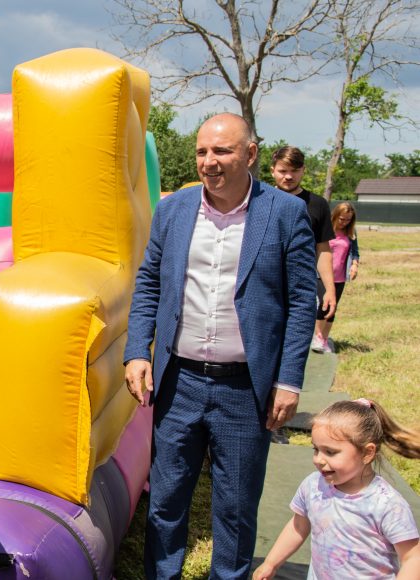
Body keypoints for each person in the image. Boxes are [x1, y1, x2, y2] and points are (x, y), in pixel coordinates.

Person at [123, 113, 316, 579]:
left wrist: (289, 380)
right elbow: (149, 282)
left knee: (236, 508)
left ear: (250, 154)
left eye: (222, 151)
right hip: (179, 382)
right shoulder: (173, 209)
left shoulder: (284, 213)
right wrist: (137, 350)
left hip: (245, 389)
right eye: (202, 151)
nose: (209, 161)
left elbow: (300, 302)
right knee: (166, 500)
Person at [252, 399, 420, 579]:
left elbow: (412, 558)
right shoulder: (313, 486)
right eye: (316, 449)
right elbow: (298, 526)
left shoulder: (387, 504)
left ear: (367, 453)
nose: (318, 459)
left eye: (330, 452)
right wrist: (271, 563)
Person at [270, 146, 338, 352]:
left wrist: (329, 289)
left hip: (301, 289)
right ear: (272, 170)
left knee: (295, 347)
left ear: (303, 171)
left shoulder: (318, 205)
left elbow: (323, 249)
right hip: (266, 286)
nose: (288, 176)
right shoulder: (258, 200)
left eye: (294, 171)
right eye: (283, 171)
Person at [315, 202, 361, 353]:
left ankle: (324, 339)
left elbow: (355, 252)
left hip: (340, 277)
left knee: (333, 308)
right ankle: (317, 337)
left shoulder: (351, 232)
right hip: (321, 276)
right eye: (342, 219)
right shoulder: (325, 229)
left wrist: (354, 265)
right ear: (335, 215)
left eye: (348, 220)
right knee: (323, 305)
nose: (344, 222)